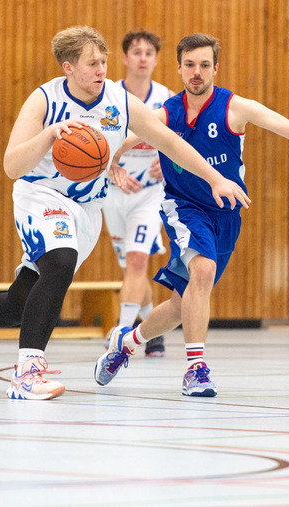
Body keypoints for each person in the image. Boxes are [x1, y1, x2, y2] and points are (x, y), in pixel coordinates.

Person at [0, 25, 249, 401]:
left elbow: (170, 143)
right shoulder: (44, 99)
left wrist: (216, 178)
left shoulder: (119, 101)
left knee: (21, 303)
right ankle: (26, 374)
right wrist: (49, 135)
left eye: (103, 62)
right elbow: (11, 165)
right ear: (68, 68)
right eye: (92, 64)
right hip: (40, 195)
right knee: (60, 262)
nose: (101, 70)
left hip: (87, 207)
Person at [94, 32, 289, 397]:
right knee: (203, 269)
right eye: (190, 65)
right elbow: (119, 138)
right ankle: (196, 369)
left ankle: (126, 344)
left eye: (205, 65)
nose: (197, 72)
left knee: (181, 306)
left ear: (216, 68)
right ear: (179, 68)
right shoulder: (166, 112)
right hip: (183, 208)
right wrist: (113, 162)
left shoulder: (234, 107)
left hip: (226, 215)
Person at [101, 30, 171, 357]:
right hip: (113, 193)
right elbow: (92, 144)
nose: (143, 58)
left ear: (156, 59)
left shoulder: (168, 99)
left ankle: (123, 333)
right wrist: (111, 167)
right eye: (136, 52)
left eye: (148, 53)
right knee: (130, 268)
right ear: (125, 58)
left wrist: (168, 163)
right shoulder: (108, 96)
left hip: (150, 193)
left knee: (138, 261)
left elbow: (183, 145)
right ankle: (151, 328)